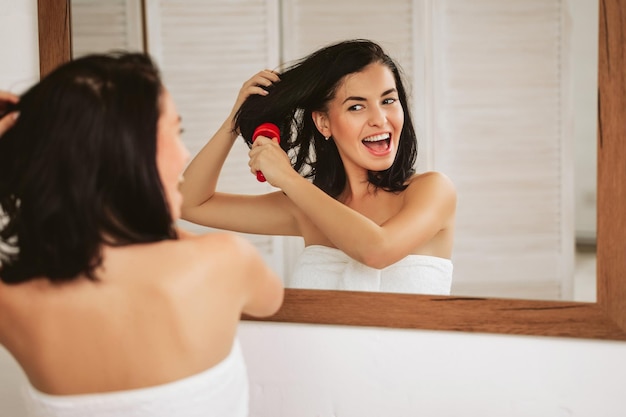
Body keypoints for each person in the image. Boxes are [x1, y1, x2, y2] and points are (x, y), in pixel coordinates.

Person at [0, 53, 283, 417]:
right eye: (174, 133)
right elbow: (269, 300)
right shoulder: (225, 260)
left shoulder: (12, 301)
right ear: (130, 153)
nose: (183, 155)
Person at [181, 39, 456, 295]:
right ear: (324, 123)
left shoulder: (432, 190)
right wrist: (236, 120)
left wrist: (288, 178)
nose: (380, 119)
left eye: (388, 101)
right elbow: (189, 203)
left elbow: (377, 251)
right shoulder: (306, 208)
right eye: (356, 107)